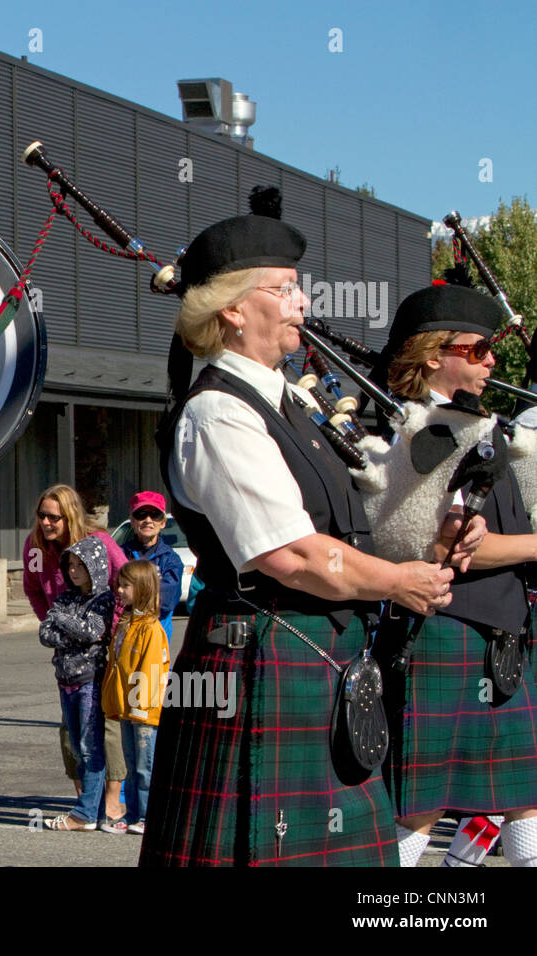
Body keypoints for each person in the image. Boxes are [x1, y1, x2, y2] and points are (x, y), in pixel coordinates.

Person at [141, 193, 475, 866]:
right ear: (234, 310)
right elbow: (290, 554)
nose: (302, 304)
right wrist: (399, 583)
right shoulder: (218, 414)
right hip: (260, 660)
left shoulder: (292, 400)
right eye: (286, 290)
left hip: (315, 656)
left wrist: (429, 537)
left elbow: (349, 522)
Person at [373, 283, 537, 868]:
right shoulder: (424, 434)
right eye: (477, 349)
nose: (492, 359)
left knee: (520, 801)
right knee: (422, 807)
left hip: (499, 633)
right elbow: (464, 551)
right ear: (432, 353)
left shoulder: (485, 428)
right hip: (447, 631)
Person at [21, 483, 128, 820]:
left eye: (54, 517)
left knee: (103, 726)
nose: (46, 523)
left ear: (70, 516)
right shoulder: (36, 547)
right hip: (66, 650)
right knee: (71, 728)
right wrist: (53, 625)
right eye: (42, 516)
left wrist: (108, 631)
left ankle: (111, 801)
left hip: (100, 647)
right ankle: (84, 799)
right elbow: (32, 588)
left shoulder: (100, 544)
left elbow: (125, 583)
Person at [38, 536, 113, 832]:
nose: (74, 571)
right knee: (78, 748)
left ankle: (85, 813)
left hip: (89, 680)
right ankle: (90, 808)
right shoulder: (65, 599)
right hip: (64, 679)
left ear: (94, 567)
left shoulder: (103, 598)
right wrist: (65, 624)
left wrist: (61, 621)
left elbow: (92, 631)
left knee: (90, 745)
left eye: (81, 565)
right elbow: (45, 634)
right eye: (70, 565)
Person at [101, 560, 168, 836]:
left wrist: (141, 707)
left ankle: (147, 815)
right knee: (131, 765)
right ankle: (132, 815)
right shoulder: (126, 623)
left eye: (125, 585)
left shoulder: (150, 628)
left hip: (143, 710)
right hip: (126, 708)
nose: (119, 590)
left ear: (141, 589)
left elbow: (151, 669)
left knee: (145, 766)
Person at [117, 491, 185, 640]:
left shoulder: (171, 560)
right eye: (141, 514)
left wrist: (130, 594)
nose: (148, 520)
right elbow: (113, 596)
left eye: (155, 515)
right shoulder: (119, 555)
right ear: (132, 521)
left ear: (163, 522)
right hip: (123, 637)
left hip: (155, 640)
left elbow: (166, 601)